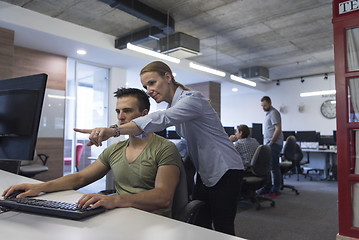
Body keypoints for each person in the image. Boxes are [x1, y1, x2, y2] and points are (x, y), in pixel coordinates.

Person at [75, 61, 244, 236]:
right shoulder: (175, 106)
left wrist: (114, 130)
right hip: (206, 172)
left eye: (152, 83)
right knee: (200, 224)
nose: (149, 90)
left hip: (227, 168)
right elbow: (187, 142)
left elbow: (162, 118)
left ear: (168, 77)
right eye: (145, 86)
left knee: (223, 227)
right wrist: (164, 156)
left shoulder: (192, 100)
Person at [2, 88, 182, 217]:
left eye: (127, 111)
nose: (120, 117)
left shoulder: (164, 148)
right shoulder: (115, 150)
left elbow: (163, 197)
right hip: (121, 215)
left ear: (144, 114)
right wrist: (39, 187)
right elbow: (80, 178)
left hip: (153, 220)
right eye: (118, 111)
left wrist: (114, 200)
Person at [257, 96, 284, 198]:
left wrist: (272, 141)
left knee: (274, 167)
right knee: (268, 167)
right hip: (269, 144)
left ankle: (276, 190)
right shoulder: (268, 113)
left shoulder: (273, 113)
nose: (263, 107)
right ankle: (267, 187)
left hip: (274, 144)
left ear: (270, 103)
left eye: (265, 105)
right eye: (262, 106)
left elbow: (278, 129)